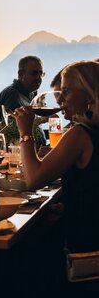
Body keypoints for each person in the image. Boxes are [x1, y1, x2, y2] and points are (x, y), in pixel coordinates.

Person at [12, 60, 99, 256]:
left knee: (19, 248)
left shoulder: (79, 134)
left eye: (66, 92)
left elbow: (33, 180)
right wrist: (69, 207)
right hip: (92, 233)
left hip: (83, 248)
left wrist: (25, 131)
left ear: (89, 95)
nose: (59, 100)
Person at [0, 55, 45, 122]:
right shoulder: (12, 95)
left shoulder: (31, 94)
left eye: (41, 74)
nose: (39, 78)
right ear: (20, 74)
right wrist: (42, 119)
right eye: (34, 73)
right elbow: (13, 127)